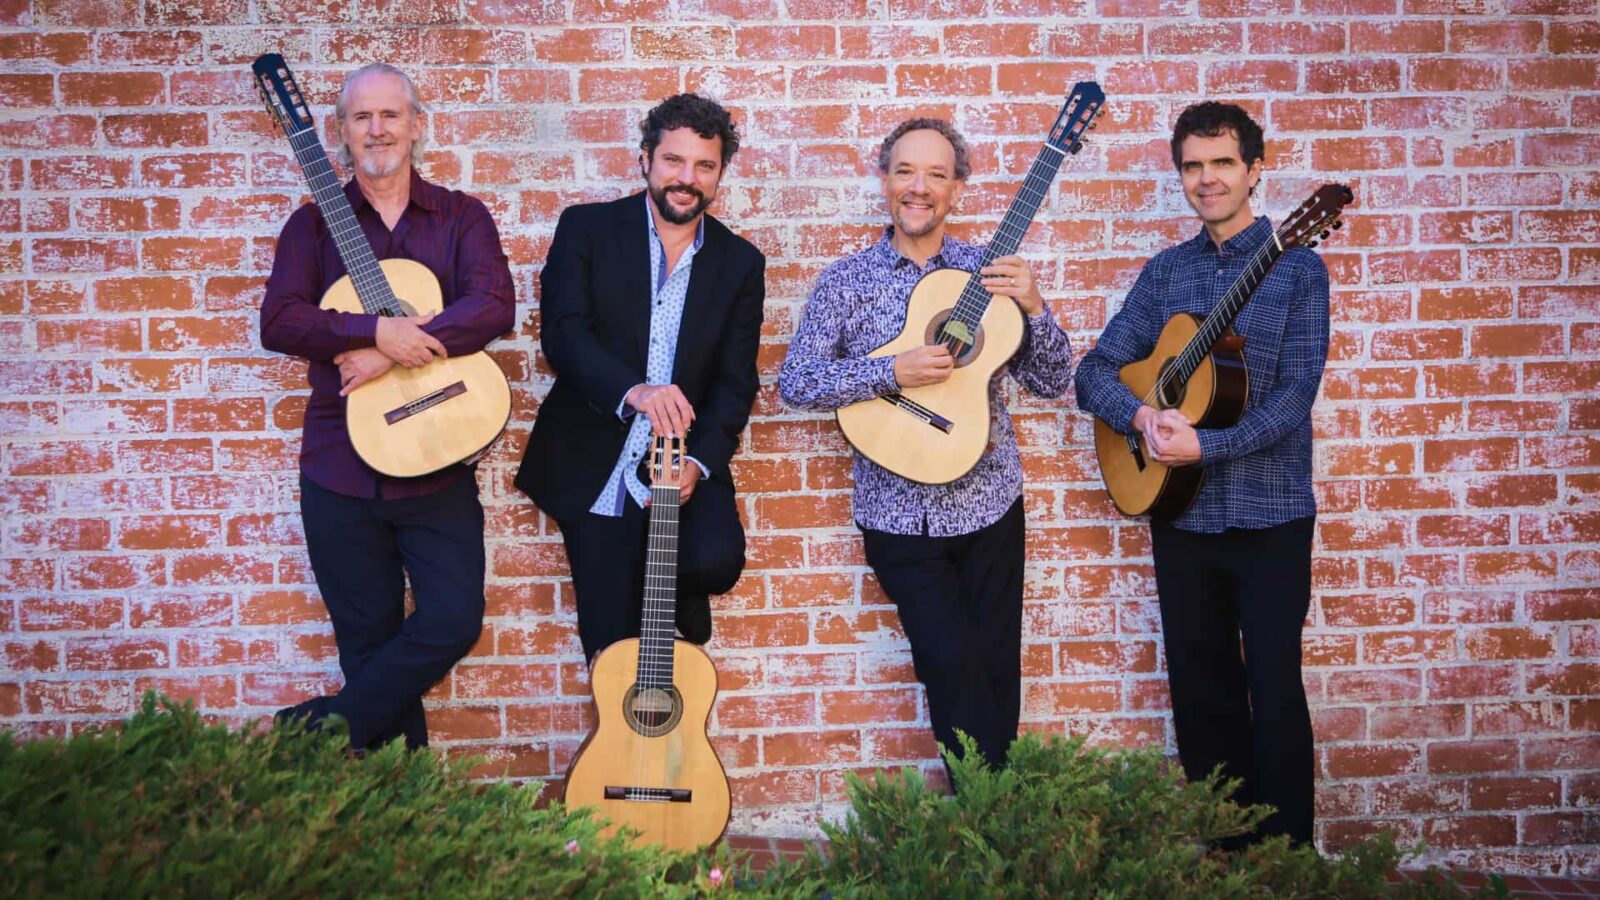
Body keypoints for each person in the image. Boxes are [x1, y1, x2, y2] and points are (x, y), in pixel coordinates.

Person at [778, 118, 1073, 778]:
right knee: (949, 663)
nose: (920, 188)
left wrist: (1036, 304)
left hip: (989, 503)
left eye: (937, 175)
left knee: (996, 667)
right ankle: (997, 819)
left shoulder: (989, 275)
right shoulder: (846, 282)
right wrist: (890, 370)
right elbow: (795, 383)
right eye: (906, 171)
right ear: (884, 180)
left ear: (958, 189)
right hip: (896, 512)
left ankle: (991, 827)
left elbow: (1052, 379)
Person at [1074, 101, 1329, 847]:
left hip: (1272, 513)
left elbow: (1293, 399)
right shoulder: (1167, 272)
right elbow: (1096, 371)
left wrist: (1208, 449)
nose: (1206, 178)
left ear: (1255, 169)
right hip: (1182, 517)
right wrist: (1140, 420)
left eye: (1222, 163)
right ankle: (1221, 852)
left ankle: (1283, 863)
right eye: (1192, 165)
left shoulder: (1299, 266)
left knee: (1274, 688)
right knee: (1200, 689)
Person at [261, 63, 515, 751]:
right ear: (339, 132)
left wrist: (397, 346)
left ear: (417, 125)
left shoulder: (462, 217)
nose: (377, 129)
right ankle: (401, 817)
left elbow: (494, 305)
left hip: (437, 458)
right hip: (340, 469)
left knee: (454, 619)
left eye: (391, 115)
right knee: (368, 648)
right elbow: (279, 321)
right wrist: (372, 330)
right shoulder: (311, 227)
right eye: (361, 117)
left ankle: (314, 730)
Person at [515, 94, 765, 662]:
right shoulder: (587, 229)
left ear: (720, 173)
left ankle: (674, 607)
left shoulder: (740, 262)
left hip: (682, 460)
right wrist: (636, 391)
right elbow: (565, 334)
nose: (687, 178)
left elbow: (734, 382)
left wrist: (700, 465)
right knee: (610, 648)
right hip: (595, 459)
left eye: (704, 165)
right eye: (673, 161)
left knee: (714, 562)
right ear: (645, 160)